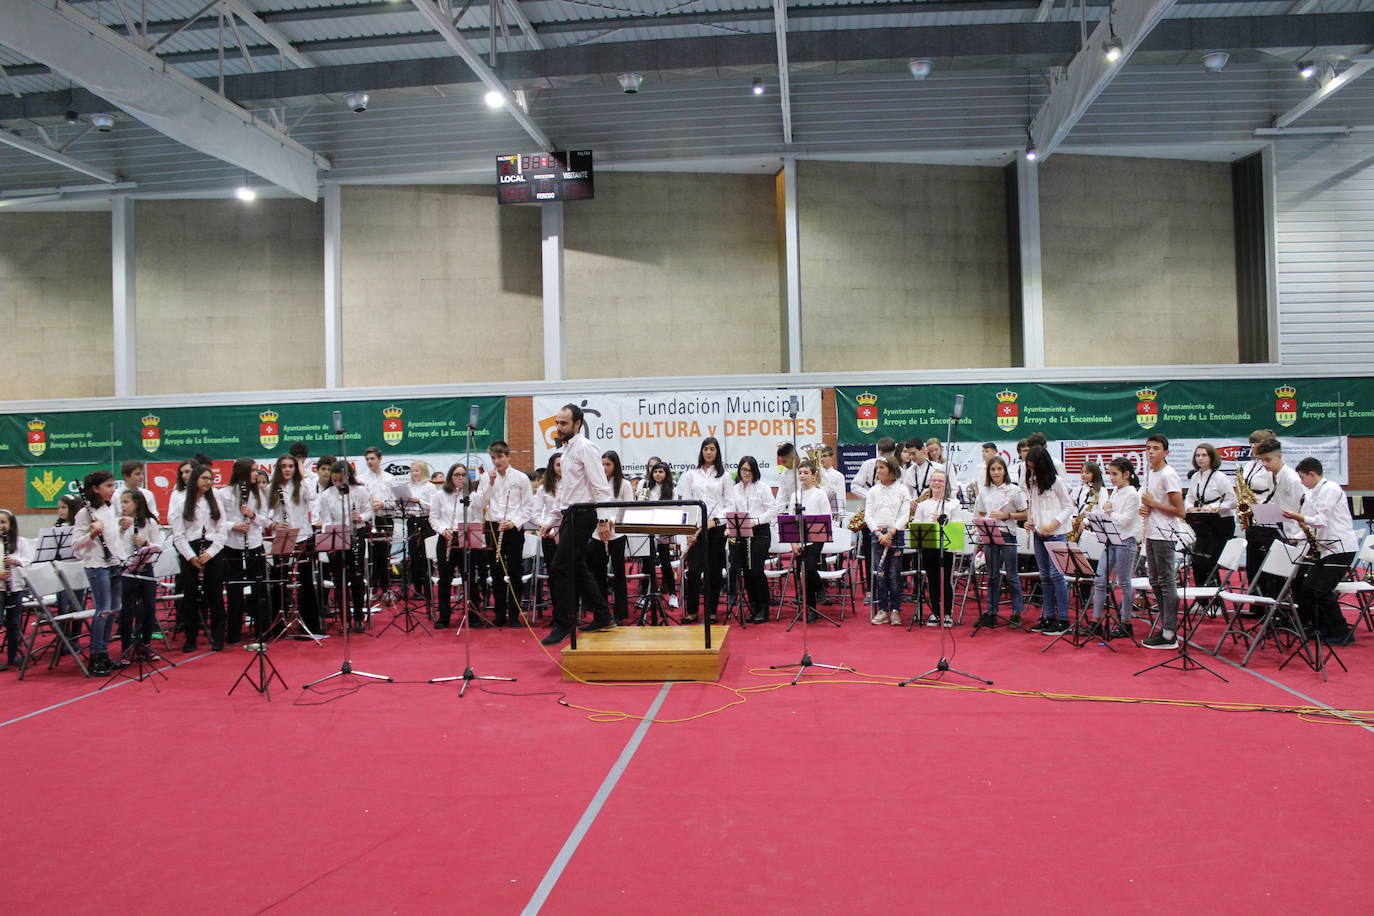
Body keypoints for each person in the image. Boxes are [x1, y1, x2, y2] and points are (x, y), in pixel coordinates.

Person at [542, 405, 614, 645]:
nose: (559, 427)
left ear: (578, 424)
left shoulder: (586, 448)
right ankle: (602, 615)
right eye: (557, 423)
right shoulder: (566, 451)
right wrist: (551, 520)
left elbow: (600, 486)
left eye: (564, 423)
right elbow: (566, 491)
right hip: (569, 514)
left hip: (583, 514)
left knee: (559, 567)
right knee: (578, 567)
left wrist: (603, 519)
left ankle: (563, 623)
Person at [1285, 458, 1358, 645]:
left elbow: (1320, 521)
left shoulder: (1330, 489)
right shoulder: (1313, 493)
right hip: (1326, 549)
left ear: (1312, 474)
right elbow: (1311, 525)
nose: (1302, 483)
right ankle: (1322, 628)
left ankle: (1342, 632)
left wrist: (1297, 516)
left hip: (1341, 548)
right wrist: (1296, 537)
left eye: (1303, 478)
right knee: (1308, 587)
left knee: (1322, 590)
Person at [73, 470, 130, 674]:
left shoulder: (109, 508)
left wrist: (122, 530)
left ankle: (105, 653)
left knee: (114, 610)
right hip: (97, 566)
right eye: (108, 486)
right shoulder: (84, 513)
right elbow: (75, 545)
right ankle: (96, 656)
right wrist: (92, 532)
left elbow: (113, 540)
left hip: (114, 563)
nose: (113, 490)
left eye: (113, 485)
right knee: (103, 611)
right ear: (95, 488)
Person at [476, 442, 534, 627]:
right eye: (493, 458)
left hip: (513, 528)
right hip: (493, 527)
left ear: (508, 456)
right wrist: (490, 484)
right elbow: (479, 502)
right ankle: (499, 614)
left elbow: (528, 507)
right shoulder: (486, 477)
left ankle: (515, 615)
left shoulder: (521, 478)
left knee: (515, 572)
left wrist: (514, 522)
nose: (497, 461)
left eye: (500, 457)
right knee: (496, 572)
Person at [171, 465, 227, 652]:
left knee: (215, 595)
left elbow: (222, 531)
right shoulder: (181, 503)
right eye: (204, 478)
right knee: (190, 596)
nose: (208, 482)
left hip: (212, 551)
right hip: (191, 551)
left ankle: (218, 637)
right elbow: (178, 535)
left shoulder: (215, 501)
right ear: (195, 479)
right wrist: (191, 557)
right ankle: (190, 639)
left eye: (210, 479)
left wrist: (210, 553)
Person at [1139, 434, 1187, 649]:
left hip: (1165, 533)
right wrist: (1145, 508)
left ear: (1166, 452)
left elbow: (1180, 511)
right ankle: (1165, 626)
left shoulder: (1169, 474)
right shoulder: (1150, 472)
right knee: (1155, 581)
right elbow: (1151, 503)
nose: (1151, 452)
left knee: (1166, 582)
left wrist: (1154, 504)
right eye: (1148, 448)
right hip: (1151, 531)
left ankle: (1169, 633)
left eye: (1156, 448)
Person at [265, 453, 322, 633]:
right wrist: (274, 524)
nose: (288, 469)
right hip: (282, 536)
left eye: (291, 466)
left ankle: (309, 626)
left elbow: (313, 497)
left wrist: (303, 475)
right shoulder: (270, 488)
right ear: (278, 469)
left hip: (303, 535)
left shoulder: (302, 485)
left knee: (306, 581)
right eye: (284, 466)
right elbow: (263, 514)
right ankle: (278, 625)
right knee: (280, 580)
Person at [1084, 458, 1140, 639]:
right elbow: (1106, 512)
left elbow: (1125, 520)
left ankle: (1126, 623)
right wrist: (1092, 517)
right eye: (1110, 473)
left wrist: (1109, 512)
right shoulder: (1115, 491)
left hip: (1125, 541)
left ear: (1127, 474)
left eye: (1115, 474)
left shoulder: (1133, 494)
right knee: (1100, 580)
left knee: (1124, 582)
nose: (1112, 477)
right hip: (1111, 540)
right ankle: (1096, 621)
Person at [678, 437, 730, 625]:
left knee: (713, 573)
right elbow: (687, 504)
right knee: (693, 572)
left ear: (717, 452)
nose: (708, 452)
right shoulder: (691, 475)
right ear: (701, 451)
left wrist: (714, 521)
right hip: (696, 529)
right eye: (706, 449)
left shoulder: (724, 476)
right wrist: (689, 530)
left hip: (716, 529)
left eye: (712, 449)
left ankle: (711, 612)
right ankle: (692, 612)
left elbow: (730, 504)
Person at [316, 461, 373, 632]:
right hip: (337, 538)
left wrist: (361, 517)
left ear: (348, 477)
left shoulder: (360, 490)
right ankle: (344, 619)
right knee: (339, 581)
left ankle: (358, 618)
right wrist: (329, 544)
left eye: (340, 480)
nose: (337, 484)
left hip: (357, 535)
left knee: (357, 579)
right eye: (334, 480)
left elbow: (369, 511)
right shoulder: (326, 495)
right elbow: (326, 521)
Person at [1022, 446, 1073, 634]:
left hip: (1056, 533)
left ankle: (1063, 619)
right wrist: (1031, 522)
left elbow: (1068, 506)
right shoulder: (1032, 483)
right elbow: (1034, 507)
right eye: (1029, 468)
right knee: (1044, 576)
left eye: (1034, 467)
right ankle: (1048, 616)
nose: (1032, 471)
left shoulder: (1057, 482)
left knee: (1056, 575)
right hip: (1039, 534)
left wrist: (1053, 523)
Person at [218, 458, 269, 643]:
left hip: (254, 543)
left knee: (259, 588)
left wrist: (252, 515)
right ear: (242, 472)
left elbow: (265, 520)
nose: (256, 474)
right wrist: (234, 525)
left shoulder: (258, 493)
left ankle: (261, 631)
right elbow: (217, 521)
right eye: (253, 470)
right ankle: (233, 633)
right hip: (232, 545)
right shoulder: (223, 493)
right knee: (234, 591)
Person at [973, 456, 1027, 629]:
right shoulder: (985, 491)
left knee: (1011, 575)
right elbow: (981, 512)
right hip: (990, 535)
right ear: (988, 472)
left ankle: (1017, 612)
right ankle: (992, 612)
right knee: (992, 575)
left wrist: (1007, 515)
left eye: (999, 469)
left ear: (1005, 471)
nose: (996, 472)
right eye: (993, 469)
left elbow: (1025, 513)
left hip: (1008, 535)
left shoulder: (1014, 490)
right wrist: (984, 522)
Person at [432, 463, 486, 630]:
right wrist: (443, 530)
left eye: (463, 475)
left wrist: (472, 527)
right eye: (457, 475)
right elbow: (434, 517)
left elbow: (479, 518)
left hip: (467, 537)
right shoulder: (440, 495)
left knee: (469, 578)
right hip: (447, 537)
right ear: (451, 476)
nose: (461, 478)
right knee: (445, 579)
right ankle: (444, 617)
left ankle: (473, 615)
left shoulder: (473, 496)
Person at [1251, 437, 1306, 598]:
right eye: (1262, 460)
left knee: (1295, 583)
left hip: (1296, 537)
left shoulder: (1292, 479)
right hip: (1282, 533)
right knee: (1272, 578)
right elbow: (1275, 505)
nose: (1264, 464)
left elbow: (1303, 510)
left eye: (1268, 460)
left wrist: (1296, 537)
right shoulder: (1271, 476)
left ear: (1279, 456)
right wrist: (1256, 513)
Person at [911, 469, 965, 626]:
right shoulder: (923, 505)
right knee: (932, 580)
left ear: (946, 484)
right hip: (929, 546)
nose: (936, 483)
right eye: (934, 480)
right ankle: (935, 612)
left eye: (940, 481)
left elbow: (957, 526)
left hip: (946, 548)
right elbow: (917, 524)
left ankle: (947, 613)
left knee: (945, 580)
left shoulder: (953, 504)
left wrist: (942, 522)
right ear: (929, 482)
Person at [584, 450, 633, 623]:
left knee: (619, 573)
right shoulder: (594, 483)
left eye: (608, 464)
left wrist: (612, 520)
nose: (604, 467)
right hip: (597, 532)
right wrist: (601, 522)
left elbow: (628, 508)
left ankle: (620, 614)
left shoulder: (625, 484)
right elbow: (591, 505)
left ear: (615, 465)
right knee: (598, 573)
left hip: (617, 532)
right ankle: (601, 613)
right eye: (602, 464)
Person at [728, 455, 778, 625]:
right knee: (746, 572)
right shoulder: (734, 489)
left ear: (755, 471)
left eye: (749, 470)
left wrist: (756, 521)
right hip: (741, 532)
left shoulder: (762, 487)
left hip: (760, 532)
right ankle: (754, 607)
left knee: (756, 570)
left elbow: (772, 510)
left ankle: (764, 608)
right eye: (744, 469)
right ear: (739, 470)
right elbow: (731, 509)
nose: (746, 473)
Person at [116, 489, 164, 656]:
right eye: (121, 502)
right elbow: (115, 546)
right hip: (127, 570)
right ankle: (126, 648)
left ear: (137, 503)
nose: (123, 506)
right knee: (127, 610)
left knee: (149, 608)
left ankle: (145, 645)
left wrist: (145, 543)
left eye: (126, 502)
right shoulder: (119, 523)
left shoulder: (150, 522)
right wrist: (121, 530)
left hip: (146, 568)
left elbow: (159, 545)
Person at [864, 455, 910, 626]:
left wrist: (891, 532)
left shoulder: (902, 490)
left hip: (895, 534)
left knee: (894, 575)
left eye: (882, 467)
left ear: (891, 469)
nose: (878, 471)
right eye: (877, 468)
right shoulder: (873, 491)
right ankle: (883, 610)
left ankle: (896, 610)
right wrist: (878, 533)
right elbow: (868, 515)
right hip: (877, 535)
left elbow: (905, 515)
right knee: (881, 575)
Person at [1184, 443, 1237, 587]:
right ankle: (1202, 596)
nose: (1200, 458)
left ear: (1212, 457)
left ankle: (1214, 596)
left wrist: (1212, 508)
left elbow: (1233, 501)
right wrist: (1189, 508)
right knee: (1197, 561)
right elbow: (1189, 497)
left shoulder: (1220, 477)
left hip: (1221, 523)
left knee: (1210, 562)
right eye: (1197, 455)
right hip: (1204, 524)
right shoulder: (1196, 476)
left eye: (1204, 455)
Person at [792, 461, 832, 622]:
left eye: (806, 473)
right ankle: (810, 609)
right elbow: (791, 519)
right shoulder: (795, 495)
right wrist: (793, 543)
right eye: (800, 472)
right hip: (799, 539)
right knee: (801, 574)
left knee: (809, 568)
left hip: (816, 538)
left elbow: (826, 516)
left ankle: (820, 588)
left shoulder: (819, 494)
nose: (802, 475)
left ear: (813, 475)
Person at [1237, 428, 1277, 586]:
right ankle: (1254, 596)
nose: (1253, 446)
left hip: (1267, 513)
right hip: (1251, 515)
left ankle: (1270, 594)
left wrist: (1258, 509)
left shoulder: (1272, 466)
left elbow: (1275, 494)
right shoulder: (1249, 465)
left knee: (1267, 559)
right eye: (1251, 443)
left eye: (1256, 443)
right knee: (1253, 561)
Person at [360, 446, 397, 597]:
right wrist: (369, 507)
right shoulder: (361, 479)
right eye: (367, 459)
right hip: (369, 520)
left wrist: (383, 504)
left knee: (384, 555)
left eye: (372, 458)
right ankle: (372, 588)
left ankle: (386, 589)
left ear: (380, 459)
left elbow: (396, 502)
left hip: (385, 518)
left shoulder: (390, 478)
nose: (369, 462)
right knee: (371, 556)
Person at [0, 509, 34, 671]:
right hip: (0, 588)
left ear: (11, 525)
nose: (0, 526)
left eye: (3, 522)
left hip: (16, 587)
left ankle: (13, 656)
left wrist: (15, 561)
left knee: (14, 623)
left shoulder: (20, 542)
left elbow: (28, 560)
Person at [643, 462, 679, 605]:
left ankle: (673, 594)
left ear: (666, 473)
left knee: (665, 562)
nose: (657, 474)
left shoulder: (672, 489)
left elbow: (675, 509)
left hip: (665, 529)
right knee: (647, 563)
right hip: (648, 529)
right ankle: (646, 594)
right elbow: (641, 506)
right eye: (655, 471)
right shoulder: (646, 487)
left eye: (661, 471)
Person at [403, 461, 436, 602]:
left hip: (425, 522)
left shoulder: (430, 487)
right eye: (411, 471)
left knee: (426, 557)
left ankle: (428, 590)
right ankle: (417, 590)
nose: (413, 473)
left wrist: (420, 501)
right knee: (414, 557)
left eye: (416, 471)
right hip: (412, 521)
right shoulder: (408, 487)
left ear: (423, 471)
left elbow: (434, 506)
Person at [114, 459, 160, 523]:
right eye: (137, 474)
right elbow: (113, 518)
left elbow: (154, 515)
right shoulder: (115, 496)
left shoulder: (148, 494)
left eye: (142, 474)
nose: (141, 477)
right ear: (126, 476)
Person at [819, 446, 848, 520]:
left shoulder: (838, 476)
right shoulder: (815, 474)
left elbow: (840, 496)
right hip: (818, 511)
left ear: (832, 457)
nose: (822, 459)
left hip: (833, 514)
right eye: (820, 457)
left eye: (824, 456)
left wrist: (841, 515)